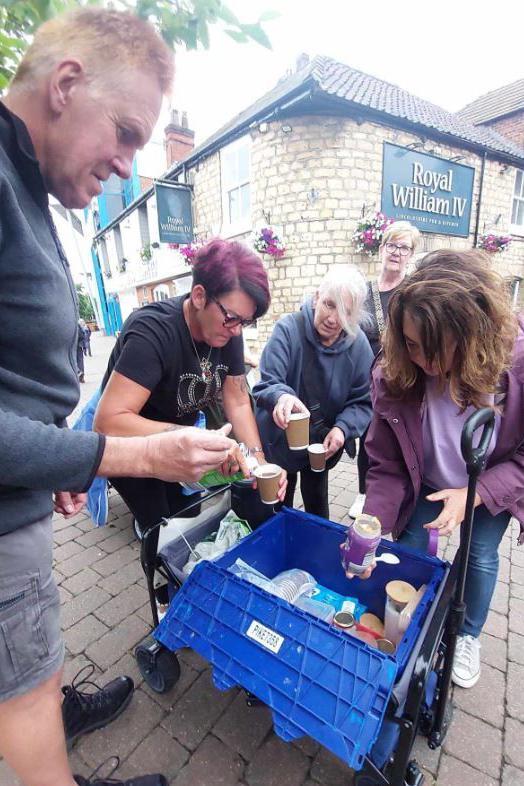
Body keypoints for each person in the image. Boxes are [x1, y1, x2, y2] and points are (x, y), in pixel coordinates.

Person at [0, 9, 241, 786]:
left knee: (28, 679)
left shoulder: (27, 190)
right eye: (128, 133)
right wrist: (126, 453)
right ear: (67, 84)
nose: (132, 168)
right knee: (23, 691)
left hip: (25, 498)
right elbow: (112, 423)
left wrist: (52, 462)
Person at [360, 250, 524, 689]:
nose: (424, 362)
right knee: (409, 548)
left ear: (474, 332)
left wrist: (473, 496)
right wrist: (372, 520)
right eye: (412, 344)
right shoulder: (396, 370)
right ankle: (408, 621)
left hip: (491, 482)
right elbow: (387, 462)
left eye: (436, 348)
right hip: (426, 480)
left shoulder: (518, 365)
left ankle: (467, 634)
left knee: (478, 555)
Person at [94, 237, 287, 539]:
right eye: (232, 318)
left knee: (192, 521)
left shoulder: (228, 332)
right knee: (164, 532)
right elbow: (108, 422)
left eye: (245, 322)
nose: (237, 331)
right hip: (133, 446)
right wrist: (188, 438)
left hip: (181, 439)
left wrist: (259, 461)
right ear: (199, 296)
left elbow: (236, 399)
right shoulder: (152, 332)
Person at [253, 265, 374, 519]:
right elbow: (267, 382)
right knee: (276, 509)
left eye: (344, 312)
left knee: (318, 509)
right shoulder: (287, 329)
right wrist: (282, 396)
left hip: (320, 441)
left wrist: (343, 429)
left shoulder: (359, 345)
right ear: (317, 297)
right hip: (278, 439)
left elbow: (363, 401)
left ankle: (315, 553)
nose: (332, 318)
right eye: (329, 304)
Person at [349, 220, 420, 519]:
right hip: (365, 380)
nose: (397, 252)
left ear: (411, 254)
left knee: (399, 436)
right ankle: (365, 492)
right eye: (392, 245)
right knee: (368, 439)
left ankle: (403, 491)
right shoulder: (363, 292)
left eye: (404, 247)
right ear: (381, 249)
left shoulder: (414, 291)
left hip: (400, 378)